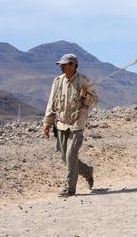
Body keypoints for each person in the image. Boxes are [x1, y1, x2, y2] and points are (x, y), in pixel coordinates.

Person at [41, 54, 100, 197]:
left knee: (71, 155)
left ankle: (69, 189)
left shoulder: (84, 81)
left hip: (77, 124)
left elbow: (94, 102)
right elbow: (51, 103)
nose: (61, 67)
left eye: (64, 64)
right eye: (61, 64)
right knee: (64, 157)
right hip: (61, 124)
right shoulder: (57, 81)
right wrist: (47, 123)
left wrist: (85, 95)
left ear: (73, 65)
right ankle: (87, 171)